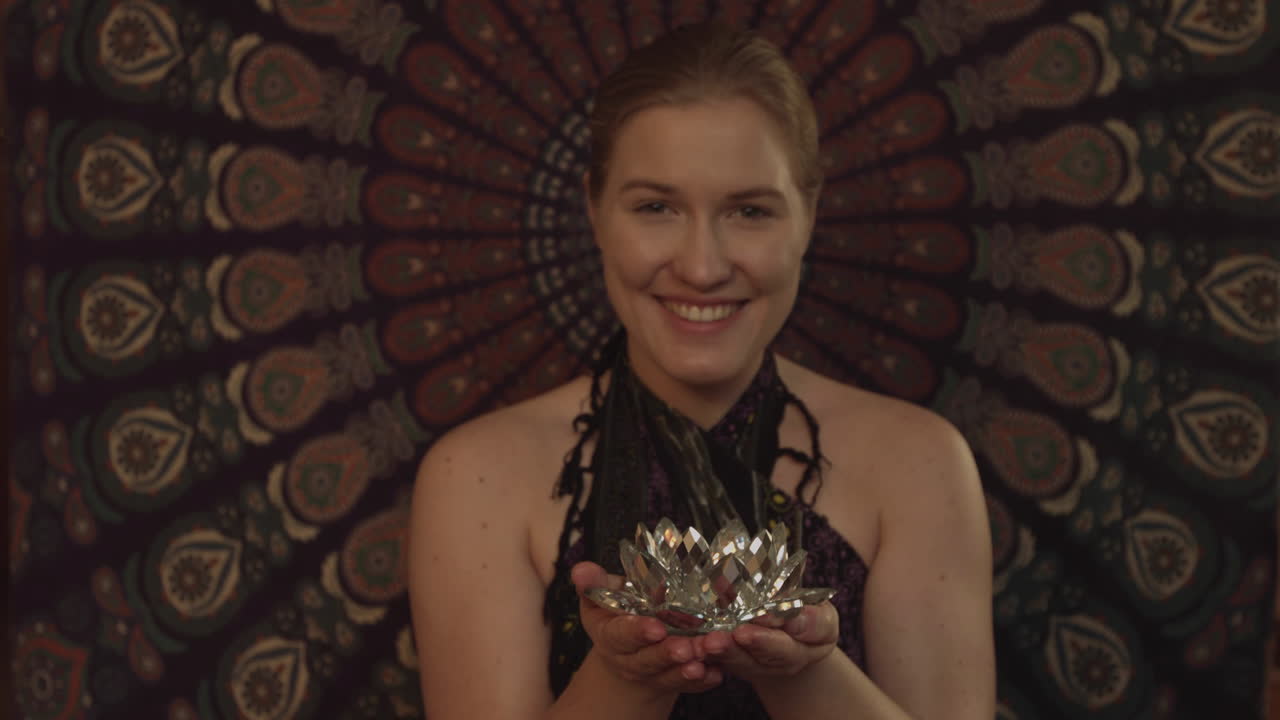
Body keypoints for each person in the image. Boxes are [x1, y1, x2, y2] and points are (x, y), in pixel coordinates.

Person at [409, 22, 994, 720]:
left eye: (749, 210)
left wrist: (806, 674)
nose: (703, 267)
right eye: (656, 207)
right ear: (596, 209)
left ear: (807, 213)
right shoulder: (475, 477)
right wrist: (628, 678)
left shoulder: (920, 463)